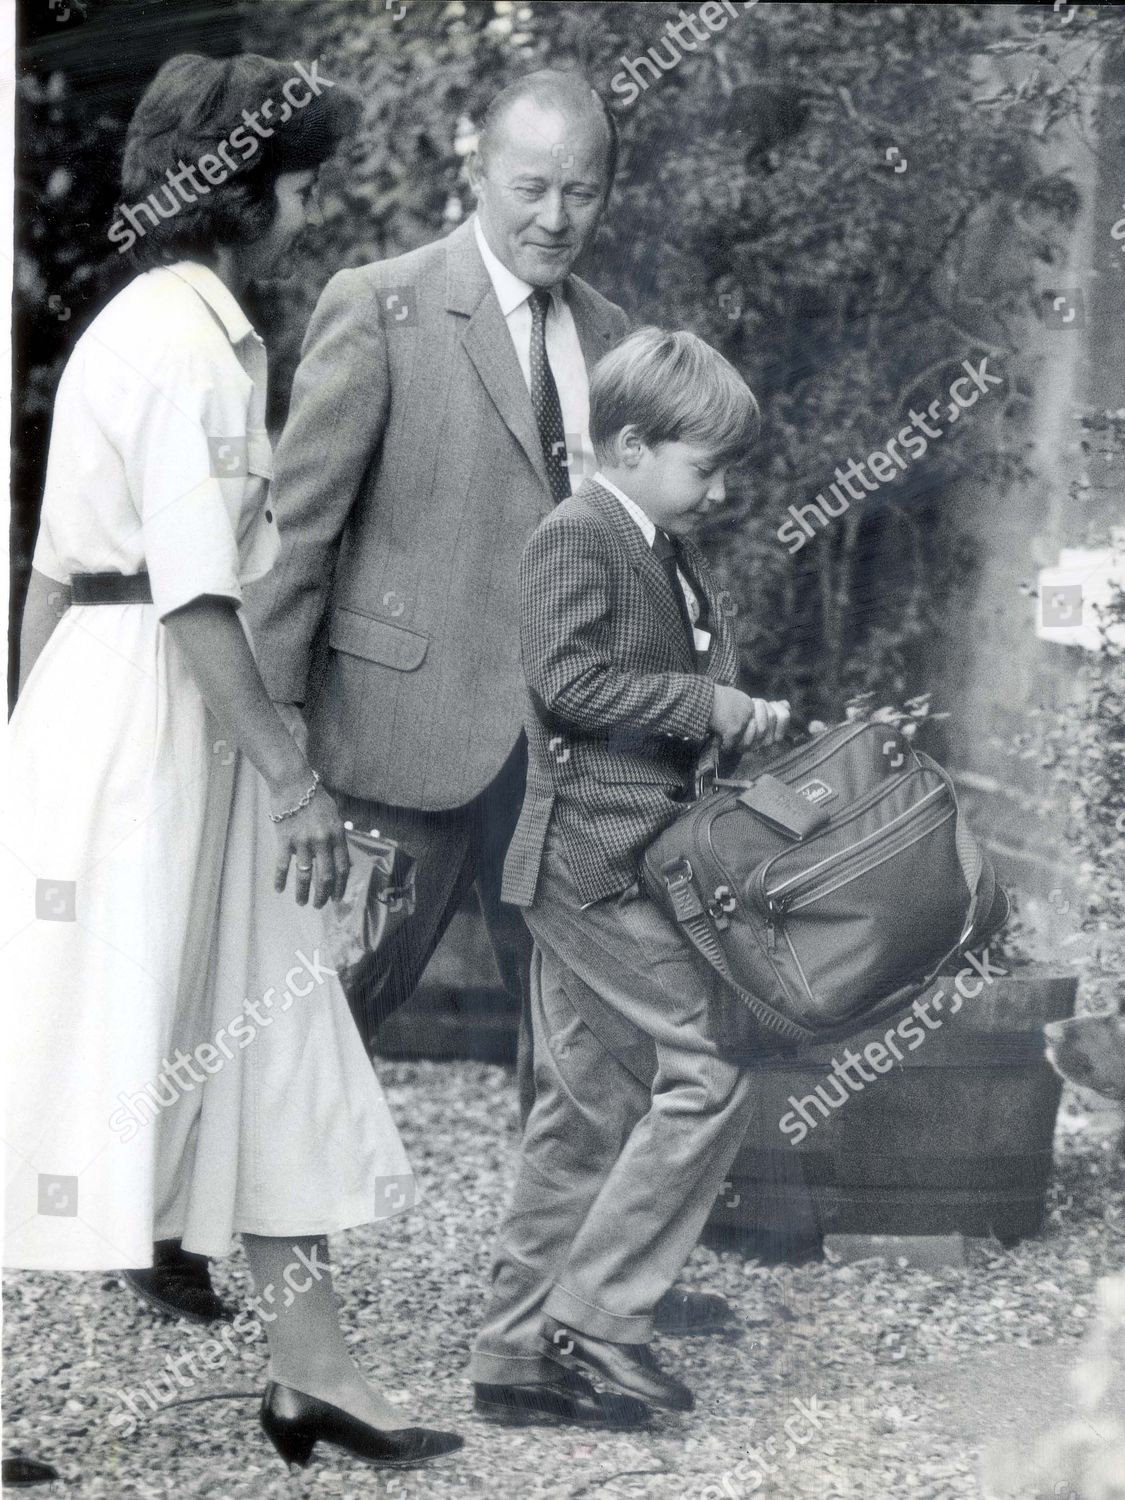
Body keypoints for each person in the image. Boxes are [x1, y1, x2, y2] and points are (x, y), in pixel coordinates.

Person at [245, 71, 738, 1403]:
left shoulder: (615, 330)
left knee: (583, 1045)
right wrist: (280, 733)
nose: (555, 216)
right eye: (531, 187)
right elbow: (300, 530)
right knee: (325, 1011)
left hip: (570, 767)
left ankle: (555, 1314)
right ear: (478, 170)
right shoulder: (383, 301)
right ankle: (213, 1233)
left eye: (582, 190)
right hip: (398, 737)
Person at [2, 53, 461, 1475]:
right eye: (304, 178)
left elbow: (45, 577)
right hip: (146, 726)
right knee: (54, 1045)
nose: (312, 206)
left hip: (156, 711)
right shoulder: (177, 346)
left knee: (271, 1025)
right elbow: (195, 597)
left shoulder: (171, 329)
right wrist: (294, 780)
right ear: (247, 190)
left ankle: (314, 1371)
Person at [470, 328, 790, 1421]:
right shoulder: (578, 534)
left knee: (584, 1108)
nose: (722, 487)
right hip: (590, 863)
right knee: (712, 1063)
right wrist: (707, 706)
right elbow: (563, 680)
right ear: (637, 445)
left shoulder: (659, 543)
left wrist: (733, 719)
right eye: (707, 466)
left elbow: (651, 684)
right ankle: (602, 1317)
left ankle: (513, 1356)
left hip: (624, 853)